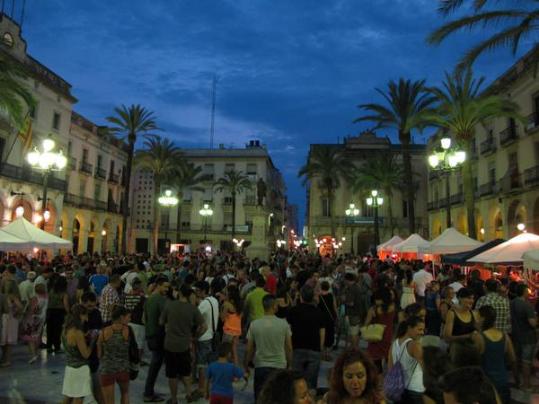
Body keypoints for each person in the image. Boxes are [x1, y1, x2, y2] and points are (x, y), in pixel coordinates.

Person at [160, 284, 206, 404]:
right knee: (186, 372)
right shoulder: (192, 309)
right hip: (185, 345)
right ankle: (189, 393)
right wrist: (195, 337)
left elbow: (161, 322)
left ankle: (174, 399)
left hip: (170, 344)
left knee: (172, 375)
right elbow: (204, 326)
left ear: (179, 293)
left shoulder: (169, 305)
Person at [244, 294, 292, 401]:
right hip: (279, 366)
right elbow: (288, 348)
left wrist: (246, 365)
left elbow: (249, 349)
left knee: (261, 398)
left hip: (261, 366)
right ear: (274, 306)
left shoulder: (254, 324)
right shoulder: (283, 324)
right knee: (278, 398)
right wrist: (289, 364)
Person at [472, 305, 516, 403]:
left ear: (482, 319)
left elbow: (474, 362)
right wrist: (516, 379)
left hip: (485, 384)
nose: (474, 320)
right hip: (503, 381)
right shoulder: (505, 337)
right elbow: (513, 359)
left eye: (476, 317)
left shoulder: (478, 337)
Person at [286, 285, 325, 391]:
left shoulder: (293, 311)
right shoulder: (318, 312)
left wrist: (288, 348)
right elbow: (322, 332)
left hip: (297, 348)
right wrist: (320, 348)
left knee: (296, 383)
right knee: (311, 385)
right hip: (314, 349)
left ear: (301, 297)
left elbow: (288, 331)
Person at [62, 304, 96, 404]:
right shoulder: (78, 333)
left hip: (69, 367)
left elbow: (72, 344)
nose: (87, 318)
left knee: (68, 397)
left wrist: (84, 337)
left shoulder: (65, 329)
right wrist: (93, 341)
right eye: (85, 315)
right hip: (80, 369)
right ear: (80, 315)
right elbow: (86, 354)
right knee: (78, 398)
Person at [97, 305, 131, 404]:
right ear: (121, 317)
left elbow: (99, 354)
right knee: (125, 394)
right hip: (123, 368)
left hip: (107, 369)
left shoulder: (103, 332)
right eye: (128, 317)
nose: (129, 319)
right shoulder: (128, 331)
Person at [143, 276, 169, 402]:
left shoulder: (149, 299)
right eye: (165, 286)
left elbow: (144, 318)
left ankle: (149, 391)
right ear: (158, 285)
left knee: (155, 364)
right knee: (155, 365)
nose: (167, 289)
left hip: (150, 335)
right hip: (158, 336)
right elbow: (166, 318)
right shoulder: (160, 300)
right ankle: (148, 393)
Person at [388, 316, 425, 403]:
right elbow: (425, 368)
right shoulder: (415, 345)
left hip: (399, 390)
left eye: (423, 330)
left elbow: (390, 368)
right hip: (415, 390)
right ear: (409, 328)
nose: (422, 332)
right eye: (419, 329)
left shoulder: (394, 344)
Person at [193, 280, 220, 400]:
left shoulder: (203, 304)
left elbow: (196, 318)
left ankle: (201, 389)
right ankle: (209, 389)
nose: (196, 293)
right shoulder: (214, 300)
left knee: (201, 365)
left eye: (198, 291)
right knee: (211, 364)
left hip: (204, 337)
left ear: (202, 291)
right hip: (213, 335)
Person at [510, 282, 537, 391]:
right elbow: (533, 323)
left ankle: (517, 381)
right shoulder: (527, 305)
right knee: (526, 361)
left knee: (516, 359)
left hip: (516, 335)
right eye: (528, 290)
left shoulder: (512, 303)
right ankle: (526, 385)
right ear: (525, 292)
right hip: (528, 337)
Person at [364, 287, 396, 373]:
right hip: (388, 337)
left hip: (376, 337)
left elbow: (366, 324)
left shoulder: (374, 310)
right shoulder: (393, 307)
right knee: (389, 360)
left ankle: (379, 383)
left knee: (376, 364)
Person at [81, 291, 104, 404]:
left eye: (93, 305)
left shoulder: (97, 313)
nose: (91, 308)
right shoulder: (77, 315)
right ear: (82, 303)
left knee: (96, 382)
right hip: (81, 354)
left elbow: (100, 330)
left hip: (93, 353)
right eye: (89, 305)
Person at [20, 282, 48, 364]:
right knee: (37, 336)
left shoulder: (35, 298)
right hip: (41, 319)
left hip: (32, 320)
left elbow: (32, 309)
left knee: (30, 338)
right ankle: (37, 353)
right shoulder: (46, 297)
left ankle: (33, 355)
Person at [442, 287, 477, 353]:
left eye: (473, 298)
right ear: (460, 298)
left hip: (471, 352)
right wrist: (468, 336)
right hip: (456, 353)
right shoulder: (452, 313)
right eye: (469, 298)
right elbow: (447, 338)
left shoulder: (473, 313)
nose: (472, 301)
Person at [0, 268, 23, 366]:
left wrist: (14, 312)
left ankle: (7, 360)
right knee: (4, 341)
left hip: (9, 319)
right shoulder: (5, 295)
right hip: (6, 319)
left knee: (8, 340)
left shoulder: (12, 296)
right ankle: (5, 359)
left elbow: (20, 307)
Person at [124, 277, 146, 363]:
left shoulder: (127, 297)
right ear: (139, 287)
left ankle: (130, 358)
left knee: (131, 342)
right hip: (139, 323)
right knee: (139, 344)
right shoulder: (142, 299)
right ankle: (138, 360)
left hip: (129, 322)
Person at [221, 284, 242, 365]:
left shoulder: (226, 304)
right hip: (237, 330)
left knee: (225, 351)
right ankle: (235, 367)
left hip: (228, 330)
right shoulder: (240, 304)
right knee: (234, 350)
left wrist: (222, 305)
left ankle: (225, 368)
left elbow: (222, 318)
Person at [318, 280, 337, 361]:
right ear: (328, 288)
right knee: (329, 336)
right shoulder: (331, 296)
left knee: (322, 336)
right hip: (330, 318)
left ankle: (322, 354)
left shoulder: (318, 296)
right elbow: (335, 307)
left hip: (321, 318)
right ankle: (328, 354)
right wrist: (337, 317)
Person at [343, 272, 363, 349]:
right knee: (356, 332)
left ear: (347, 280)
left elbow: (351, 303)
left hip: (352, 313)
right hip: (358, 312)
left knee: (353, 333)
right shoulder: (357, 287)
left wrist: (344, 300)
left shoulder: (352, 289)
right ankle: (356, 348)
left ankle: (354, 349)